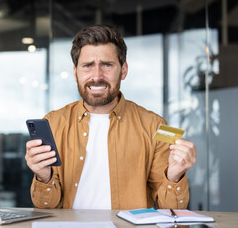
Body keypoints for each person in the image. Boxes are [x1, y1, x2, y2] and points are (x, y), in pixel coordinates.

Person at [25, 25, 197, 210]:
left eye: (107, 65)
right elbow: (45, 206)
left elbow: (172, 211)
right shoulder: (53, 122)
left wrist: (175, 176)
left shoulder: (157, 126)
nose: (97, 76)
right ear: (75, 72)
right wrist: (44, 176)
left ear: (123, 70)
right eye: (87, 66)